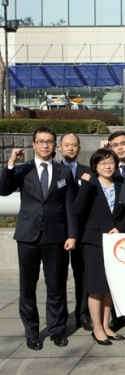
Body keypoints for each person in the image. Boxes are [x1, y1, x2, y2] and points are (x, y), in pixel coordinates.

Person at [0, 126, 77, 350]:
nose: (45, 145)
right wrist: (11, 163)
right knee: (28, 288)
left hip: (56, 237)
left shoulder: (63, 172)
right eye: (41, 141)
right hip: (28, 237)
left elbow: (69, 206)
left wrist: (72, 235)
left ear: (56, 146)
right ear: (33, 144)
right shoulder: (23, 170)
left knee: (56, 287)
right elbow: (4, 190)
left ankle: (56, 330)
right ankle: (32, 332)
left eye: (49, 141)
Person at [71, 148, 125, 346]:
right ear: (95, 166)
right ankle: (97, 328)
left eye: (111, 162)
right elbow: (77, 210)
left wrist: (120, 228)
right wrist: (86, 186)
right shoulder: (89, 184)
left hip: (115, 240)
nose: (107, 166)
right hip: (94, 241)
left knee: (109, 287)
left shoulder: (122, 184)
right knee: (96, 287)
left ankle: (107, 326)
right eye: (102, 163)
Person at [58, 133, 93, 332]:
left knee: (83, 276)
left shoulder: (87, 171)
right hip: (59, 232)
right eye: (67, 145)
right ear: (59, 148)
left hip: (83, 232)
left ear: (79, 148)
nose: (70, 148)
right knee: (58, 278)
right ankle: (60, 318)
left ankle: (83, 314)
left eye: (74, 145)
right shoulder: (54, 170)